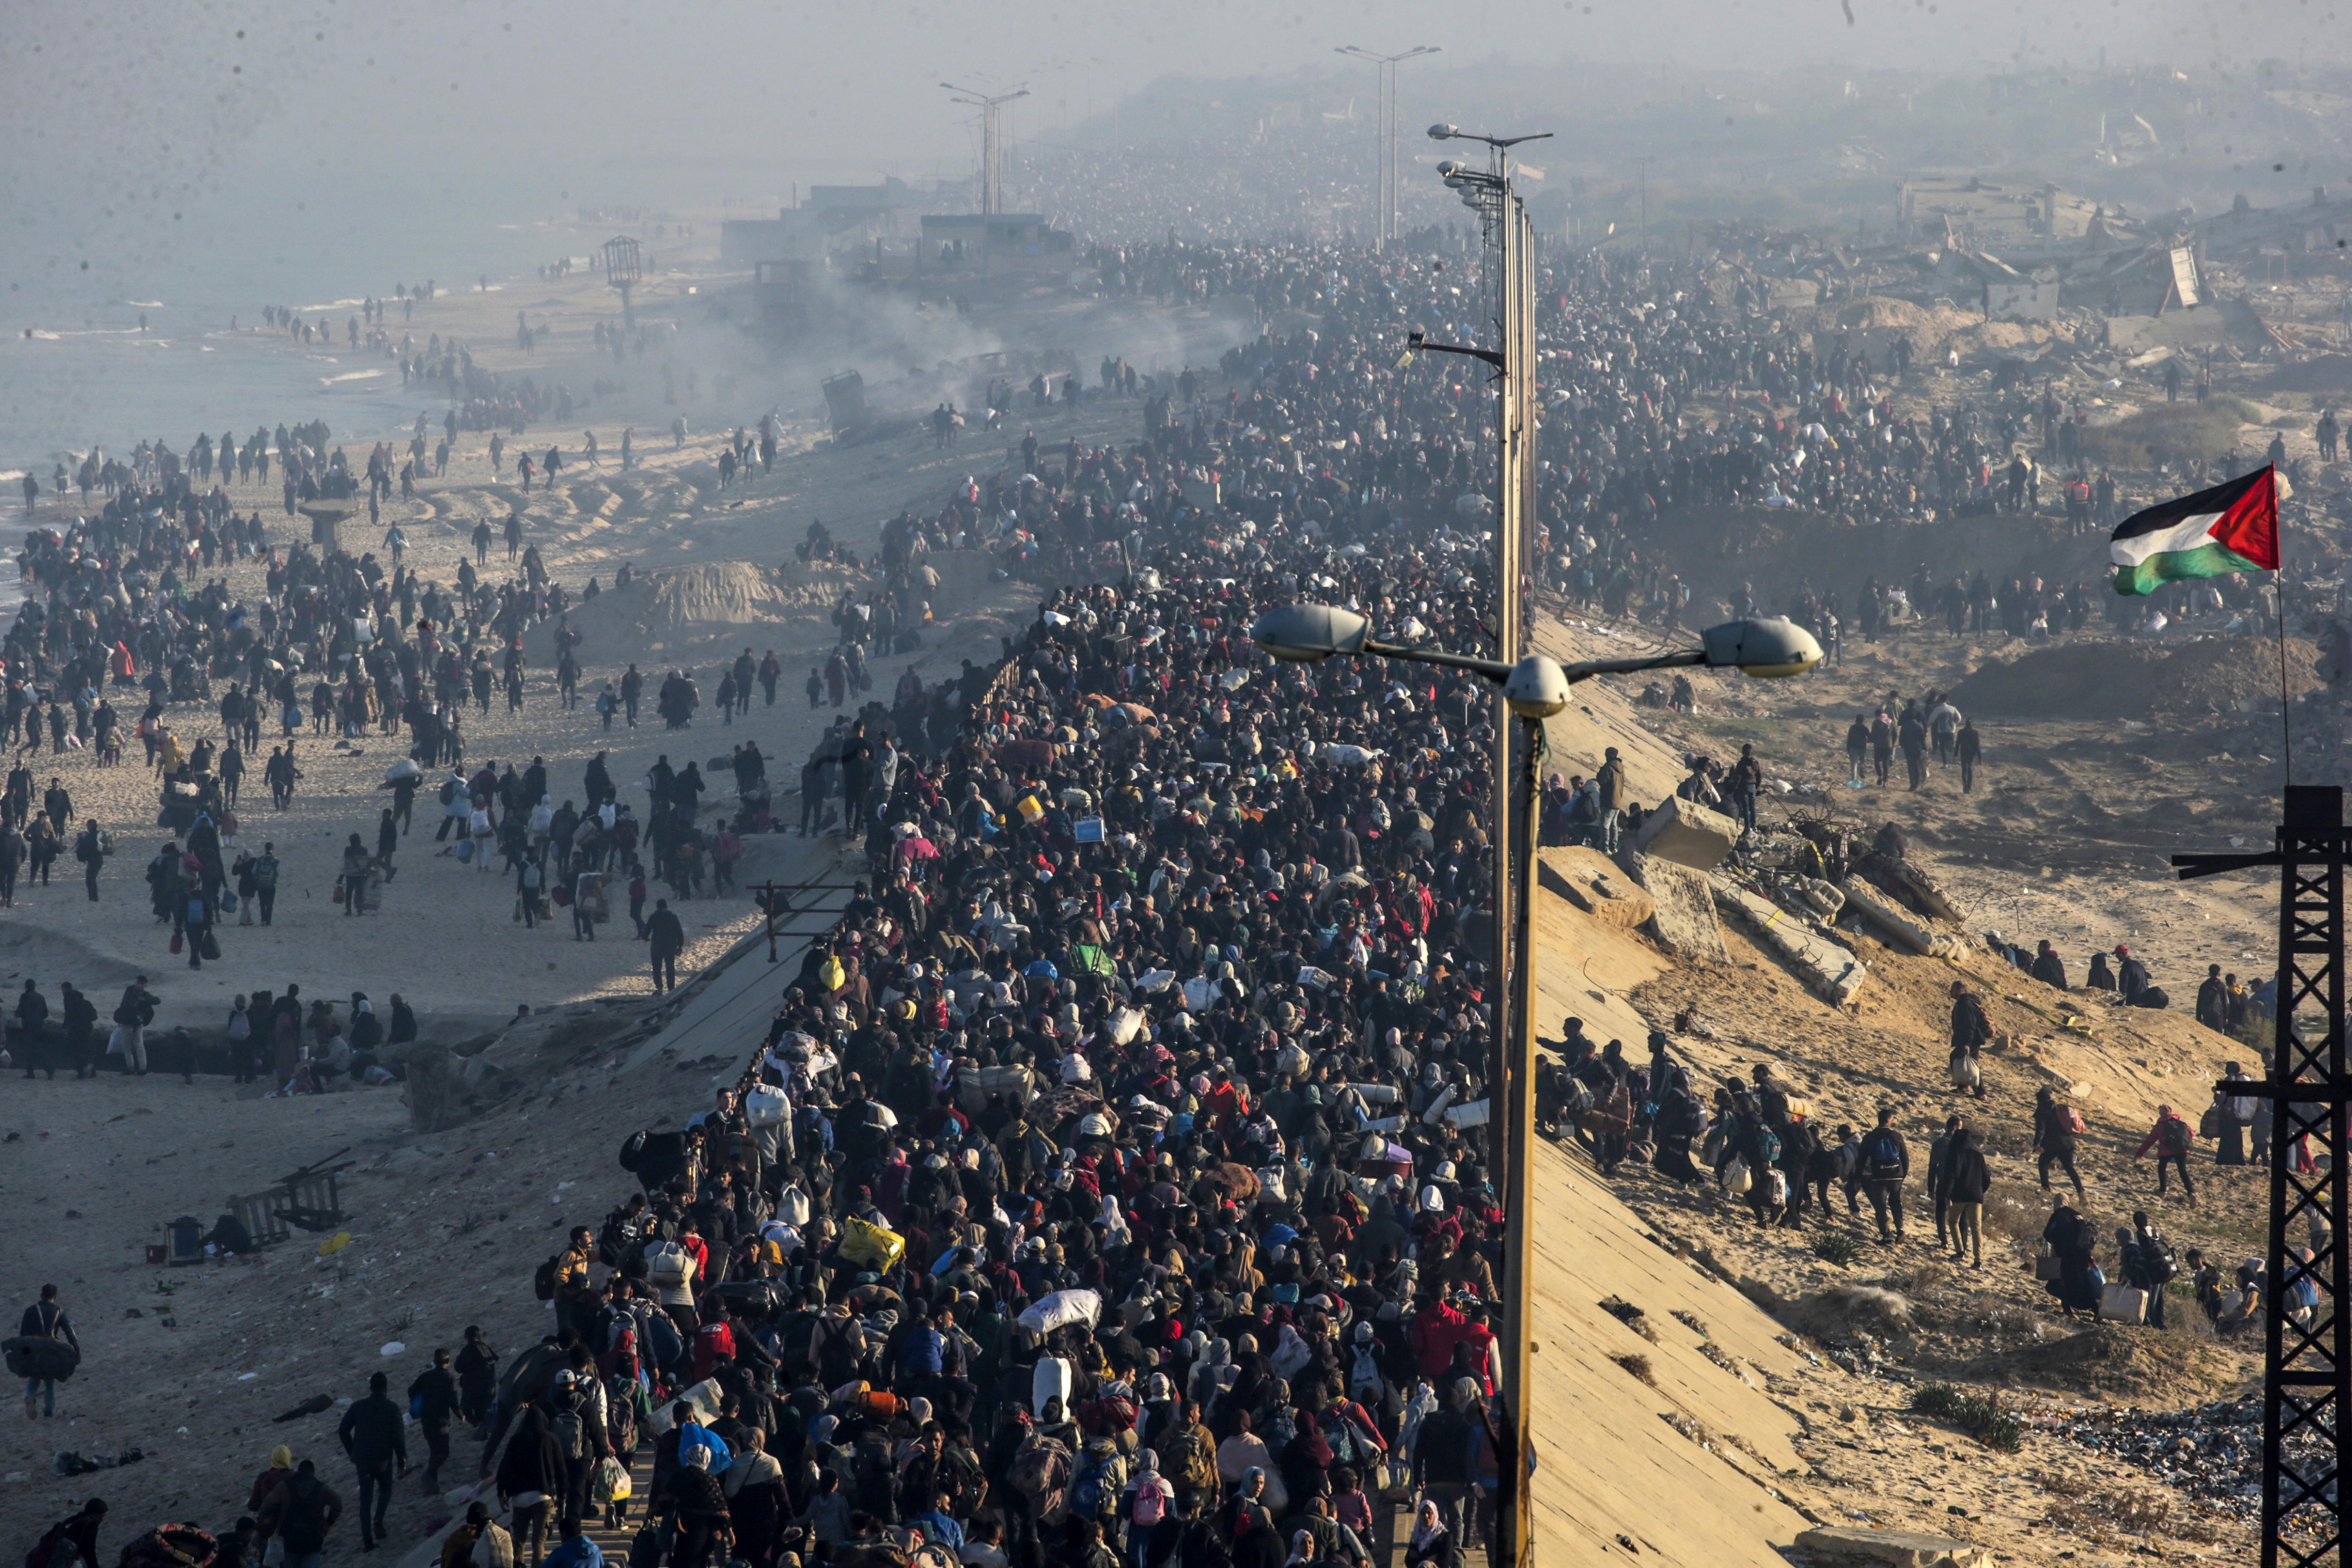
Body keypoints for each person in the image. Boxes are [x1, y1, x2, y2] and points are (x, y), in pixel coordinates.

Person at [338, 1369, 409, 1550]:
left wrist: (352, 1452)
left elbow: (343, 1430)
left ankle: (367, 1542)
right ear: (386, 1388)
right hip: (383, 1459)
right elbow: (398, 1439)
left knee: (365, 1500)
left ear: (370, 1388)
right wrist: (402, 1461)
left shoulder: (358, 1406)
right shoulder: (392, 1408)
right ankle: (379, 1520)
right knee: (385, 1489)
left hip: (362, 1459)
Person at [259, 1459, 342, 1568]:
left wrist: (268, 1520)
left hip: (289, 1540)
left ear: (298, 1471)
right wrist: (329, 1523)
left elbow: (267, 1505)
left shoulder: (284, 1487)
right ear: (313, 1473)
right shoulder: (321, 1488)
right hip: (313, 1540)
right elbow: (338, 1503)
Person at [1935, 1125, 1991, 1266]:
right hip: (1976, 1197)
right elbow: (1986, 1177)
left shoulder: (1955, 1155)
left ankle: (1960, 1252)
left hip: (1959, 1196)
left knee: (1954, 1222)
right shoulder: (1978, 1156)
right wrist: (1981, 1191)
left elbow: (1951, 1177)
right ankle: (1978, 1260)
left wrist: (1947, 1195)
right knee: (1977, 1227)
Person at [19, 1283, 77, 1418]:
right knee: (50, 1381)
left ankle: (30, 1396)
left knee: (34, 1377)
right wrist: (76, 1350)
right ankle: (48, 1411)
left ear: (41, 1296)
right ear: (55, 1298)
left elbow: (23, 1334)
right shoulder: (58, 1312)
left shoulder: (31, 1310)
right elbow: (70, 1333)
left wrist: (24, 1352)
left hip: (34, 1349)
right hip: (51, 1349)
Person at [410, 1347, 462, 1489]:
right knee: (444, 1452)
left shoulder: (425, 1377)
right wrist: (460, 1415)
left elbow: (411, 1391)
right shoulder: (448, 1377)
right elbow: (453, 1400)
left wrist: (420, 1403)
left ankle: (432, 1483)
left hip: (427, 1419)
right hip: (441, 1420)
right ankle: (430, 1474)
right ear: (448, 1362)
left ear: (434, 1361)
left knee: (434, 1450)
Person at [1861, 1106, 1909, 1244]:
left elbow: (1862, 1159)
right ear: (1889, 1120)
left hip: (1879, 1176)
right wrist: (1903, 1175)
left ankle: (1887, 1235)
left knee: (1880, 1205)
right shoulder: (1897, 1136)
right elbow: (1905, 1158)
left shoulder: (1869, 1137)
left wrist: (1859, 1175)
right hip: (1896, 1175)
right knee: (1896, 1202)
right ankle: (1900, 1229)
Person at [2133, 1104, 2199, 1201]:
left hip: (2166, 1151)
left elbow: (2149, 1142)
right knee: (2183, 1171)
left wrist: (2139, 1154)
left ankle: (2163, 1191)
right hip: (2182, 1150)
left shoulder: (2159, 1126)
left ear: (2160, 1114)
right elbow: (2191, 1134)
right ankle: (2191, 1192)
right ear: (2171, 1112)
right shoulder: (2181, 1123)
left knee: (2162, 1168)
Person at [29, 1499, 107, 1568]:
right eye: (102, 1516)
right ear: (95, 1514)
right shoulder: (91, 1525)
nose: (102, 1520)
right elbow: (89, 1553)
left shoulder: (74, 1519)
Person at [646, 897, 685, 994]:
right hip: (670, 945)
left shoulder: (654, 917)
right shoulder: (673, 917)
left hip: (657, 945)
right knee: (670, 966)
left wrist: (645, 937)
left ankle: (659, 986)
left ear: (657, 907)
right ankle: (671, 987)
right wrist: (680, 945)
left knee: (657, 966)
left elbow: (647, 929)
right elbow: (679, 932)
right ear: (666, 906)